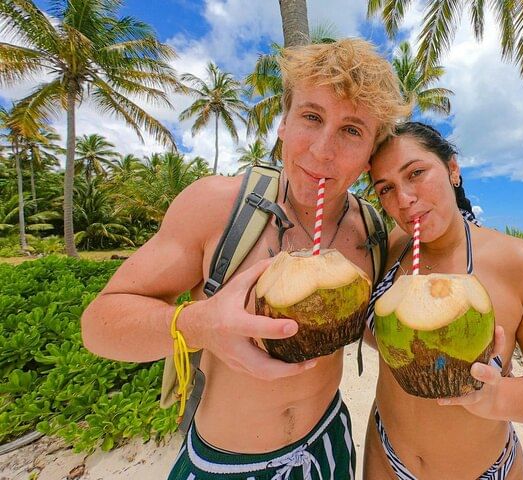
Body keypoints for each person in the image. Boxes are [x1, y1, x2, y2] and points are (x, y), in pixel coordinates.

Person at [81, 38, 410, 479]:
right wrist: (200, 325)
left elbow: (374, 331)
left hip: (330, 442)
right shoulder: (217, 206)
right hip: (225, 463)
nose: (322, 150)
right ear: (284, 123)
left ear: (371, 154)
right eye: (312, 117)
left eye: (352, 131)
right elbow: (99, 325)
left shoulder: (371, 232)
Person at [363, 122, 523, 479]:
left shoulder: (520, 263)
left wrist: (495, 397)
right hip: (385, 455)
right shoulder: (393, 247)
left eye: (416, 173)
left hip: (482, 469)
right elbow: (385, 340)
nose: (404, 199)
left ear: (452, 169)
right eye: (386, 188)